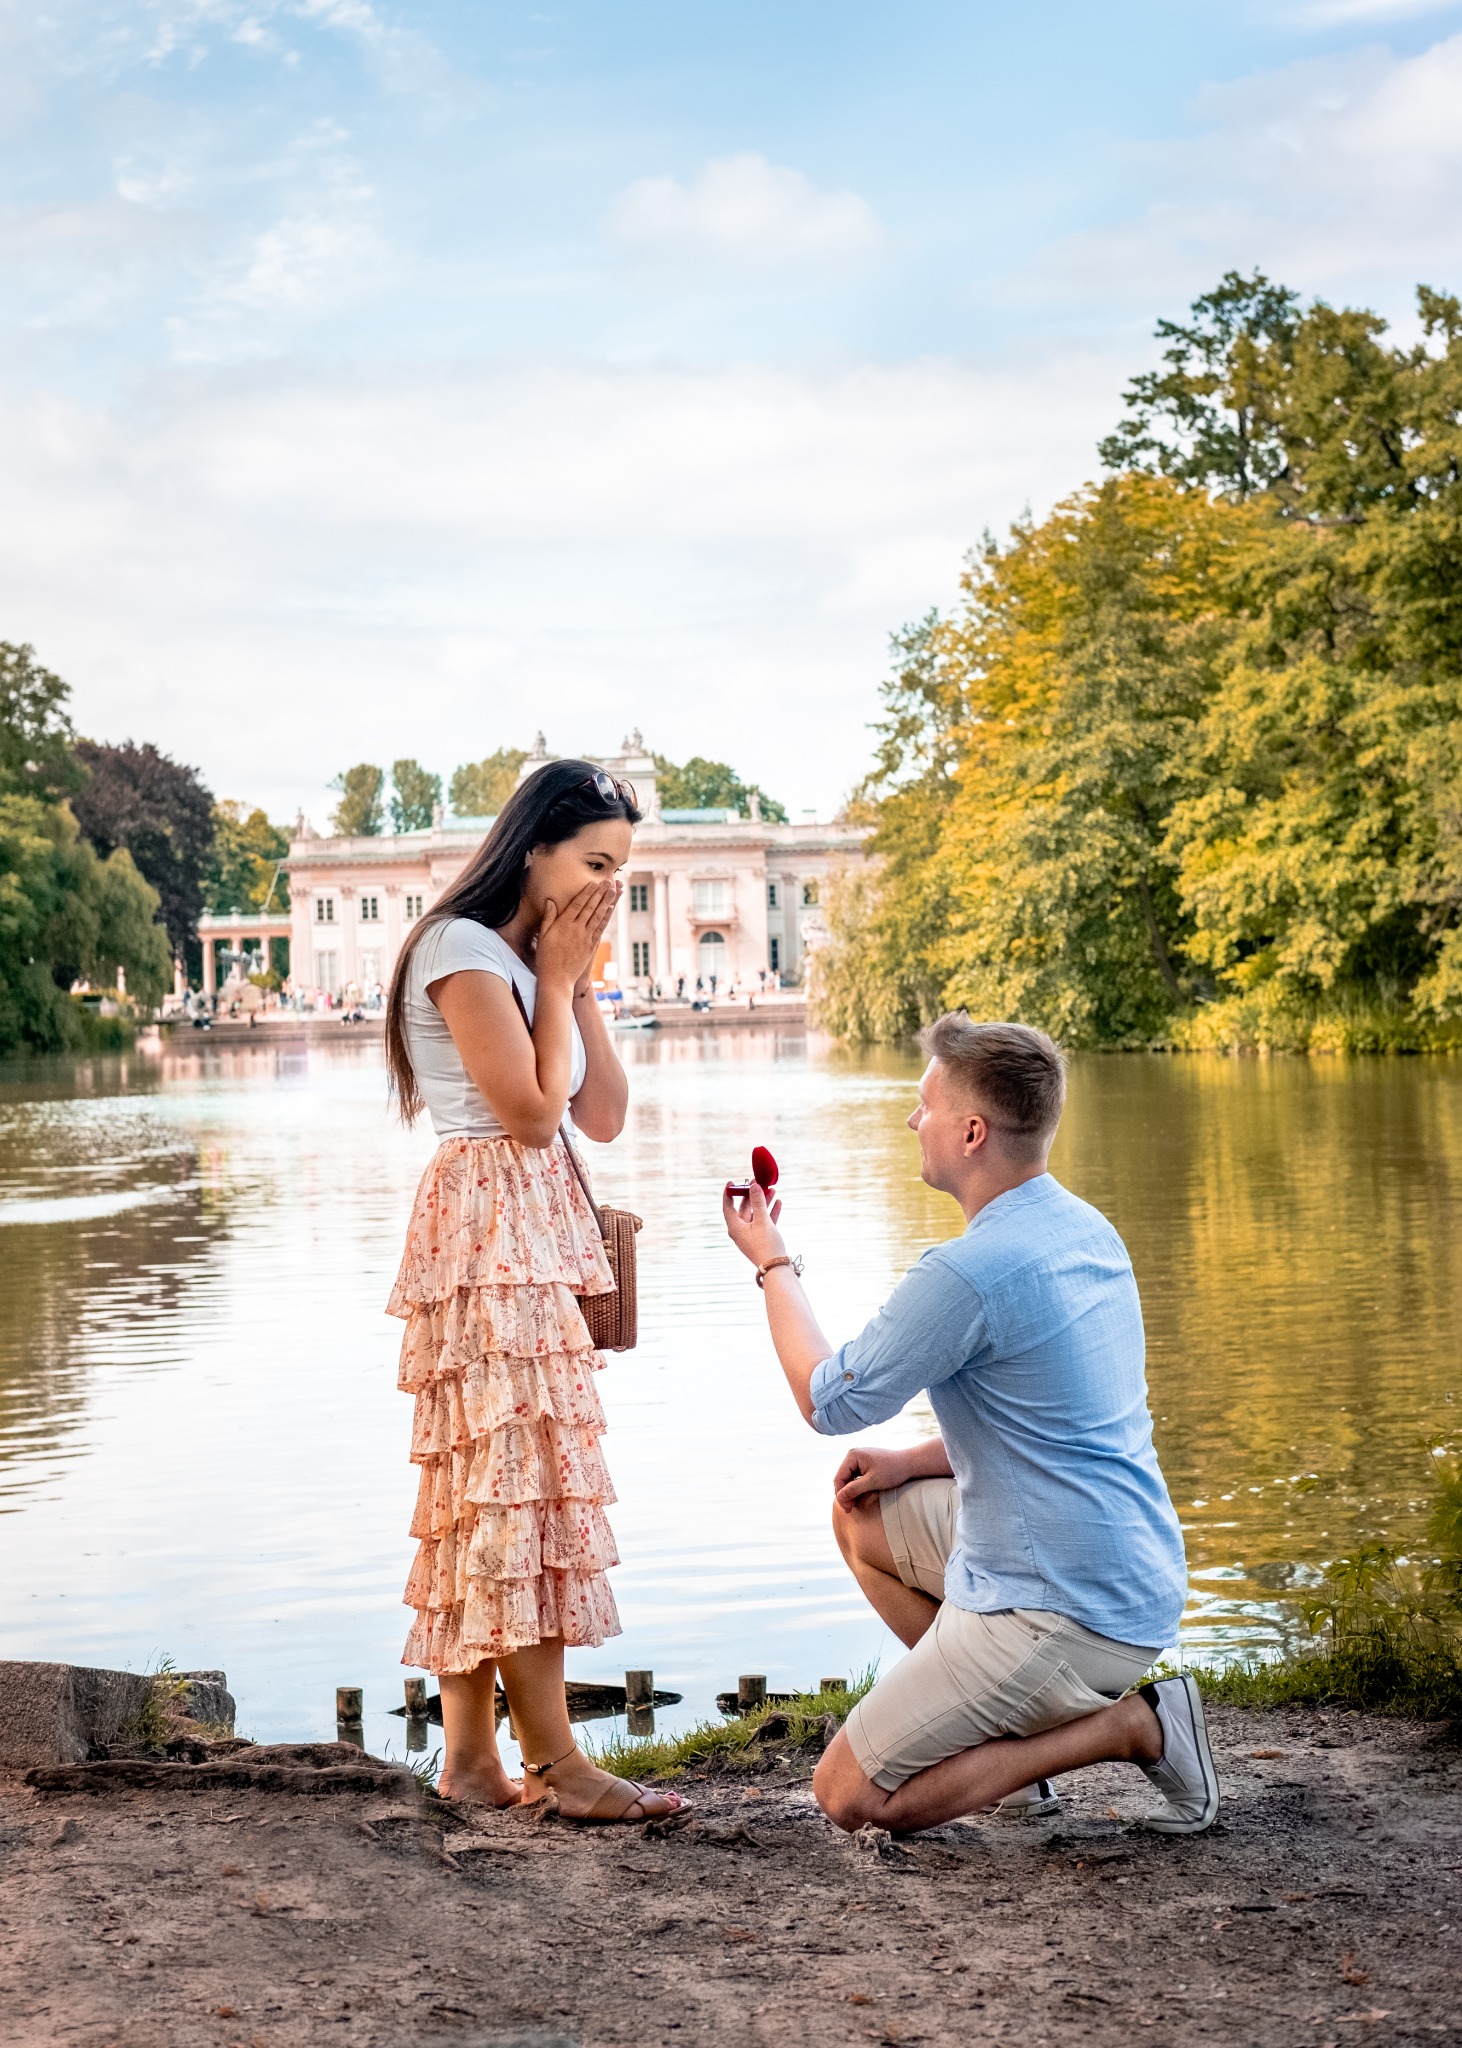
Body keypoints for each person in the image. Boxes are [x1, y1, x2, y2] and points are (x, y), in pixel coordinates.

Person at [721, 1014, 1218, 1838]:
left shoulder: (967, 1273)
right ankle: (1004, 1741)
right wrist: (913, 1460)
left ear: (972, 1130)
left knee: (850, 1796)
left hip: (1064, 1608)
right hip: (1137, 1576)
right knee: (864, 1516)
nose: (914, 1120)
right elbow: (1061, 1420)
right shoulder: (1087, 1229)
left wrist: (771, 1259)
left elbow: (827, 1397)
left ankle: (1137, 1728)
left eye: (926, 1105)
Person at [384, 760, 687, 1827]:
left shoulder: (525, 957)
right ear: (534, 847)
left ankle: (470, 1761)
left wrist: (580, 977)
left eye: (622, 870)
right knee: (507, 1488)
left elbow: (596, 1113)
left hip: (526, 1230)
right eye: (597, 863)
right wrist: (552, 980)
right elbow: (522, 1113)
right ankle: (554, 1763)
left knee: (505, 1490)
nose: (611, 885)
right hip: (487, 1228)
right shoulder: (460, 951)